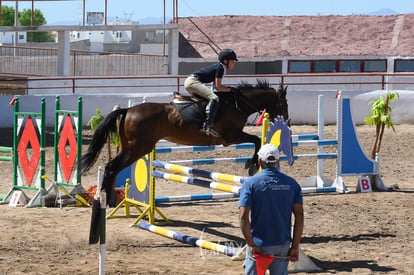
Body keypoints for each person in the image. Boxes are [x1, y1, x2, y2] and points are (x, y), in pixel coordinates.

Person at [238, 143, 304, 275]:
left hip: (258, 243)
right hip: (282, 242)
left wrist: (250, 244)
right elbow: (299, 216)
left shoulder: (250, 183)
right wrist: (295, 246)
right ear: (278, 161)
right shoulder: (292, 184)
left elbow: (243, 217)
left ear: (259, 161)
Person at [184, 48, 238, 137]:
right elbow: (219, 87)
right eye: (232, 61)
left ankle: (201, 122)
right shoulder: (221, 68)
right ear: (225, 61)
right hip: (193, 82)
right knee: (214, 98)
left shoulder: (219, 67)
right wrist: (231, 89)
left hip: (190, 81)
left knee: (207, 100)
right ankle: (208, 125)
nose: (234, 63)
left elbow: (214, 86)